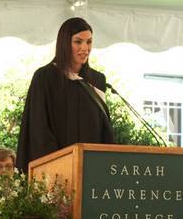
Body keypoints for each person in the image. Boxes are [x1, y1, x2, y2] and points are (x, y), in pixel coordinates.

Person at [16, 17, 115, 173]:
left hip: (91, 173)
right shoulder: (45, 78)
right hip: (57, 174)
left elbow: (104, 131)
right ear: (64, 43)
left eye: (89, 42)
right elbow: (39, 129)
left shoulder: (96, 81)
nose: (85, 48)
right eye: (78, 42)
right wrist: (61, 165)